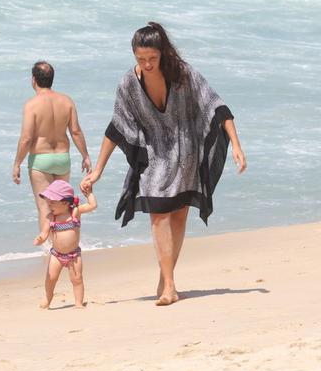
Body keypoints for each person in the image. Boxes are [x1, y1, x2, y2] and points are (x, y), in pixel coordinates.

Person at [81, 22, 246, 306]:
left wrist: (237, 147)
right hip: (154, 156)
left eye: (152, 59)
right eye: (140, 59)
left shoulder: (183, 74)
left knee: (179, 216)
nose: (146, 64)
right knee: (158, 214)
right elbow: (116, 127)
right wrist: (97, 170)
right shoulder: (128, 84)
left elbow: (216, 106)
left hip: (185, 154)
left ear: (163, 53)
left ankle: (166, 278)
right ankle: (169, 284)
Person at [13, 61, 92, 244]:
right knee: (62, 207)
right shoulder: (67, 101)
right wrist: (85, 156)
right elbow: (76, 131)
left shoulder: (31, 105)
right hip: (63, 159)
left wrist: (17, 163)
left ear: (33, 80)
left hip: (41, 160)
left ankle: (50, 248)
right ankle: (65, 243)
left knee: (45, 207)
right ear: (51, 79)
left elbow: (26, 138)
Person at [34, 179, 97, 309]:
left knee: (77, 279)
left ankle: (78, 303)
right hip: (56, 255)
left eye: (52, 202)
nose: (49, 205)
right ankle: (47, 298)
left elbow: (93, 205)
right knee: (51, 279)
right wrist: (41, 238)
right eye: (48, 202)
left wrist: (89, 193)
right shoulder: (51, 217)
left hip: (74, 255)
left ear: (65, 202)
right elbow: (45, 233)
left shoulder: (75, 212)